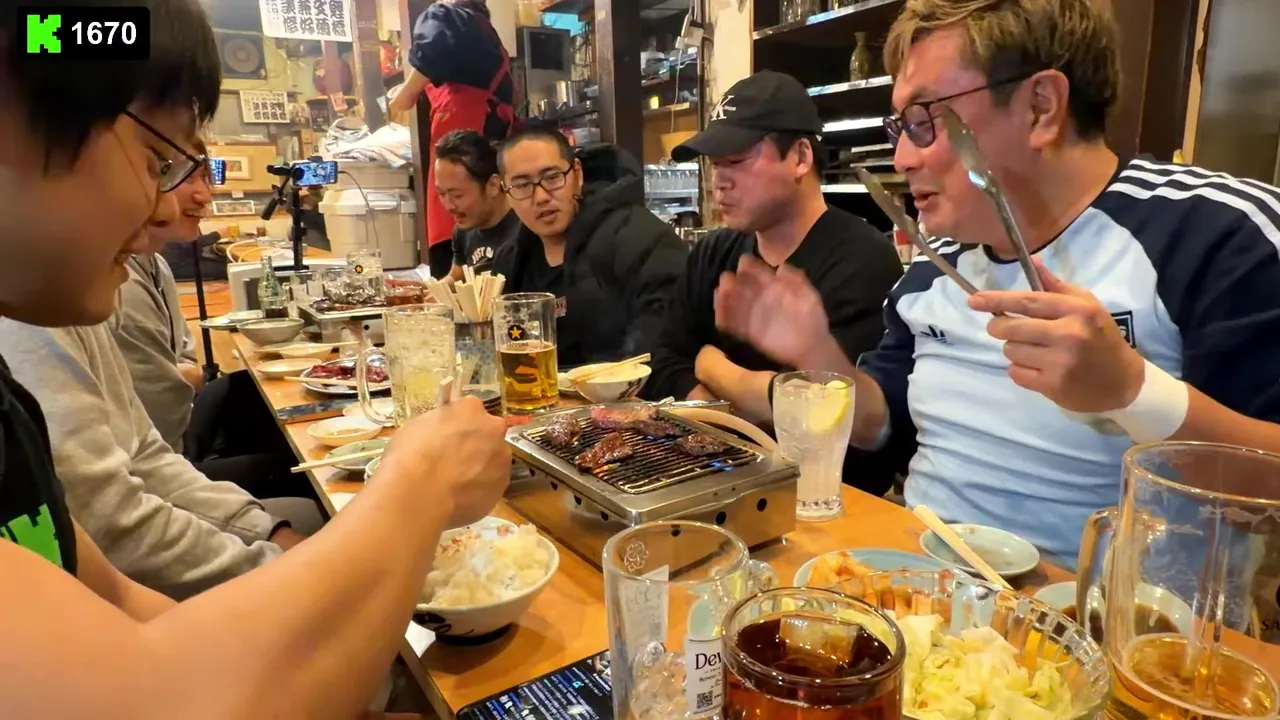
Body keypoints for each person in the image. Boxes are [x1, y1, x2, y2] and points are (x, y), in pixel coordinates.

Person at [0, 1, 509, 715]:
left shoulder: (9, 406)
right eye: (156, 161)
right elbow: (157, 702)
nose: (163, 209)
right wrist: (418, 484)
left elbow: (139, 628)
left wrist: (312, 578)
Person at [712, 0, 1280, 565]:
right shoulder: (934, 267)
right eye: (900, 127)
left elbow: (1265, 498)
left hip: (1106, 610)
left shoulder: (1217, 235)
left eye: (923, 121)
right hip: (916, 583)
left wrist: (1133, 391)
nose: (902, 157)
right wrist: (816, 352)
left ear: (1040, 107)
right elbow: (881, 426)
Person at [644, 71, 904, 431]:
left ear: (800, 157)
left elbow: (825, 415)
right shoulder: (713, 253)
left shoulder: (864, 261)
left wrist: (710, 365)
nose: (719, 181)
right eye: (715, 163)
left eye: (737, 160)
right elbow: (663, 363)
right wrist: (731, 416)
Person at [112, 137, 314, 501]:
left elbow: (185, 362)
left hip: (173, 428)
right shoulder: (120, 281)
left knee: (244, 389)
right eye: (187, 177)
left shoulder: (156, 264)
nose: (204, 195)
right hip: (155, 462)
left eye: (206, 178)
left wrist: (184, 373)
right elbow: (162, 398)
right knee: (299, 468)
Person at [493, 127, 688, 366]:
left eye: (553, 177)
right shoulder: (510, 262)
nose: (541, 197)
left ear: (577, 174)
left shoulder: (639, 237)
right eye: (522, 185)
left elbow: (661, 342)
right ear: (506, 192)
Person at [389, 0, 517, 278]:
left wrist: (406, 94)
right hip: (488, 143)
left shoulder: (451, 16)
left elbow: (436, 41)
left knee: (455, 221)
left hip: (466, 139)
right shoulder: (485, 34)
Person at [434, 129, 521, 280]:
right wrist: (425, 290)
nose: (449, 206)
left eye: (457, 195)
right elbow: (456, 278)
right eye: (441, 194)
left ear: (493, 185)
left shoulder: (526, 230)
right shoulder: (463, 231)